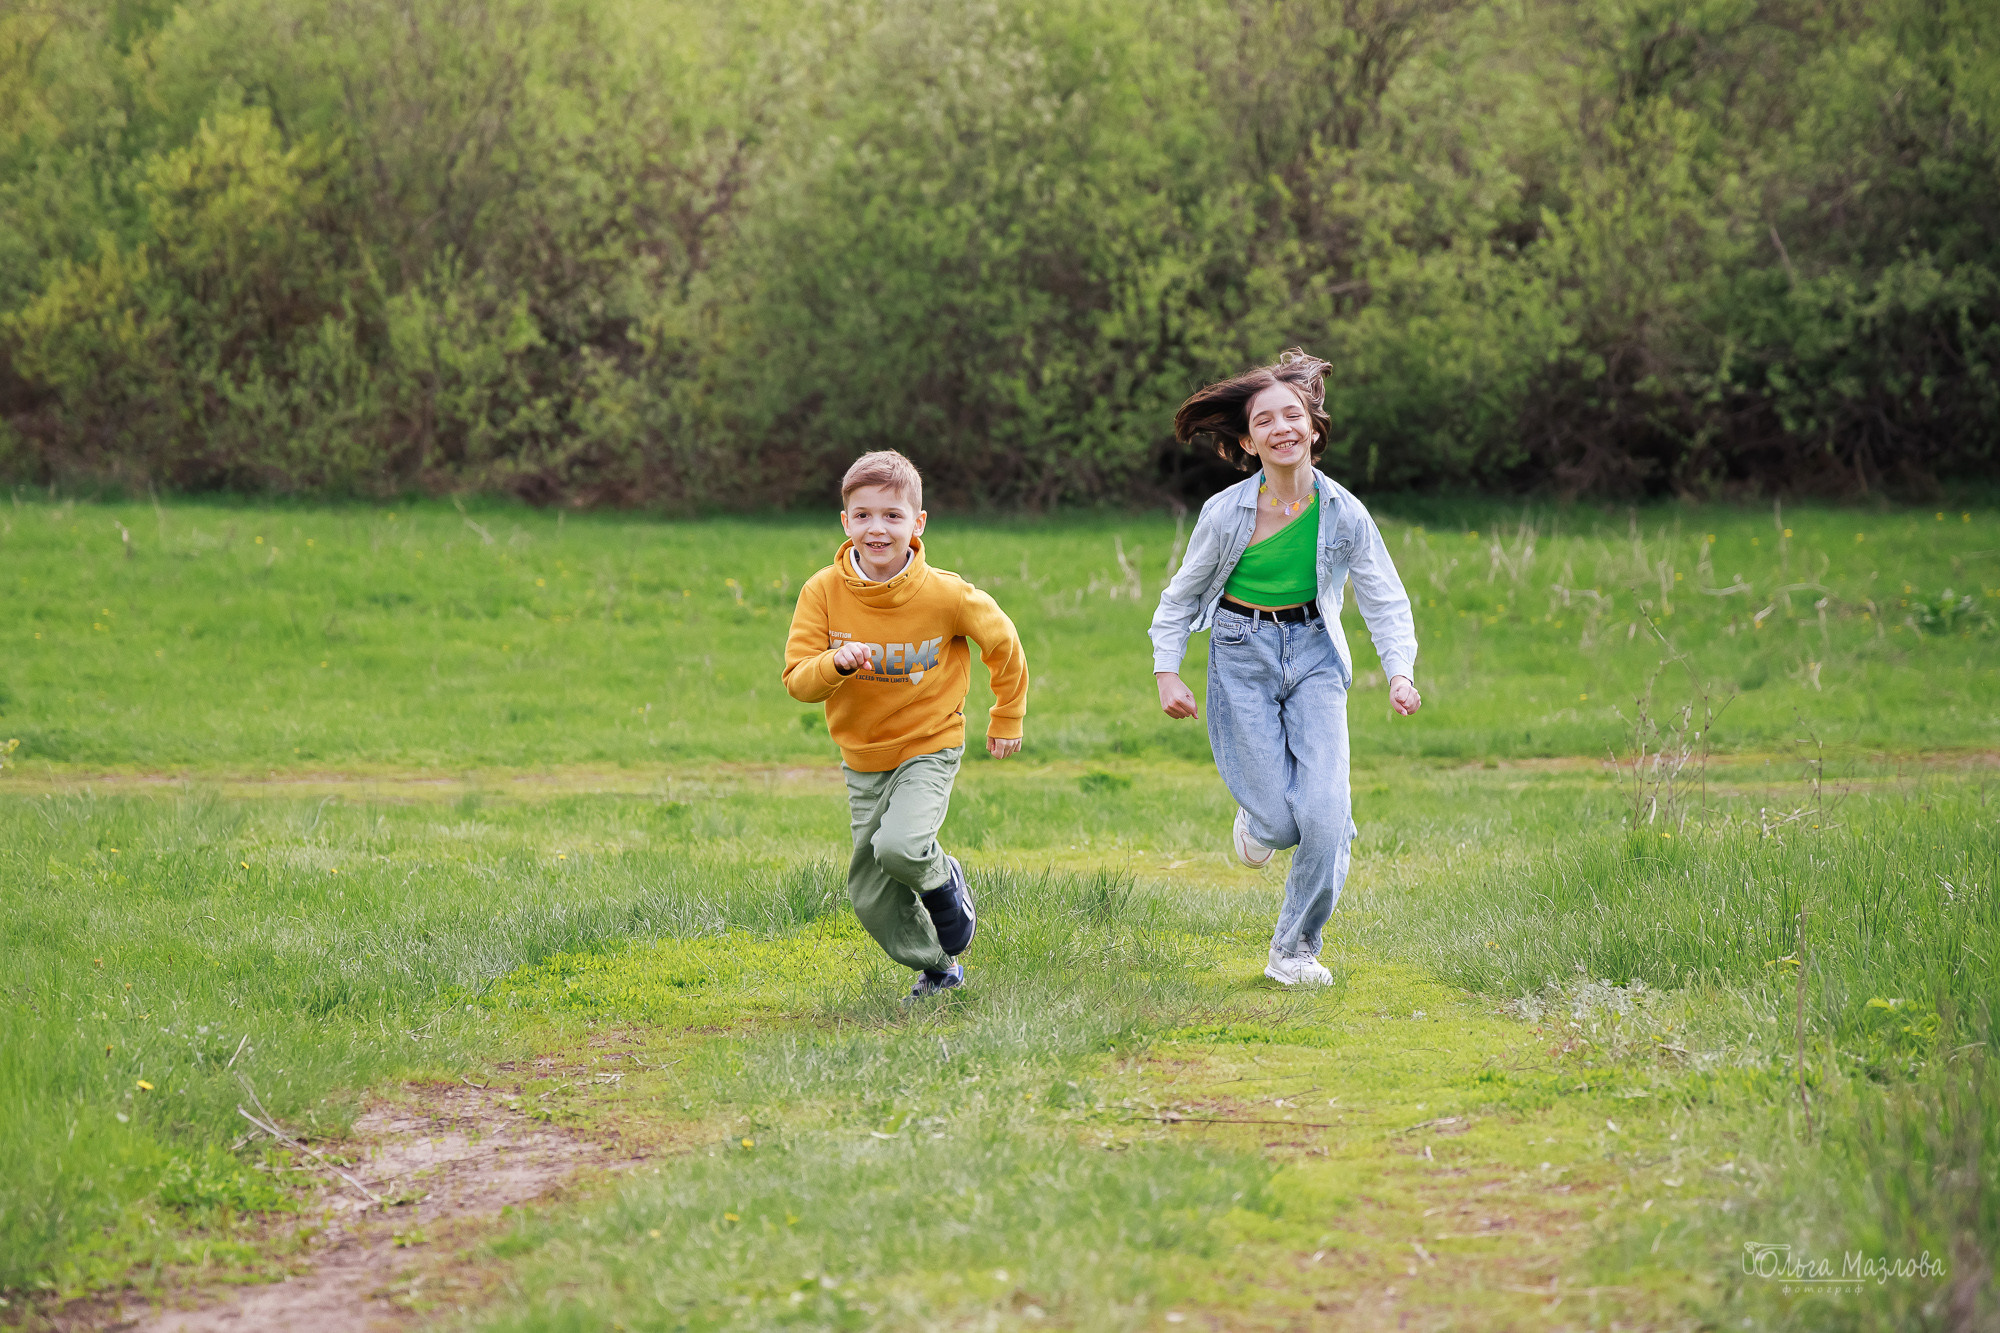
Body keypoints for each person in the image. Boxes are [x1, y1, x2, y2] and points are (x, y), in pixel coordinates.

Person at [1148, 349, 1421, 986]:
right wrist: (1168, 670)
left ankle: (1293, 951)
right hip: (1241, 652)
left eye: (1292, 414)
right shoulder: (1226, 513)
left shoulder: (1345, 512)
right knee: (1278, 819)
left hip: (1317, 654)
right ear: (1247, 440)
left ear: (1313, 427)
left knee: (1328, 817)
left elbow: (1384, 595)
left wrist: (1400, 670)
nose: (1282, 428)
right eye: (1265, 421)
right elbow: (1181, 597)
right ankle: (1259, 818)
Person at [783, 450, 1029, 999]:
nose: (878, 528)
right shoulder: (822, 591)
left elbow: (1004, 644)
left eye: (892, 515)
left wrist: (1007, 714)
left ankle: (945, 883)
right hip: (863, 757)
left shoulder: (946, 594)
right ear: (845, 522)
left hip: (929, 744)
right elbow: (799, 680)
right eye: (864, 515)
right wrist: (835, 663)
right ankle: (939, 966)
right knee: (870, 894)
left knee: (901, 846)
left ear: (917, 524)